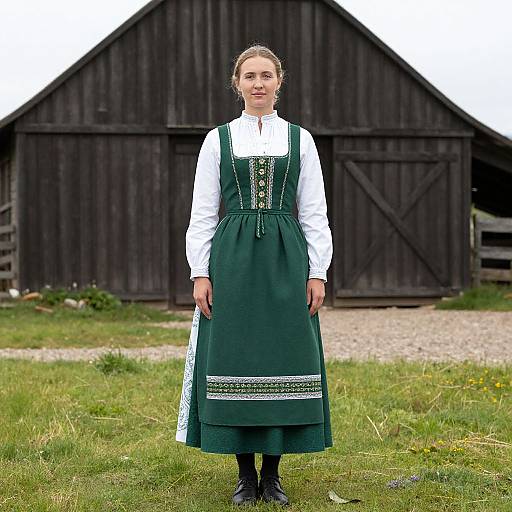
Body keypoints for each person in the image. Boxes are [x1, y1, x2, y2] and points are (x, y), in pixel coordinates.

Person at [175, 44, 333, 506]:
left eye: (266, 75)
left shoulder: (300, 139)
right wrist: (200, 272)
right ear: (237, 83)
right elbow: (202, 212)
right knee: (236, 356)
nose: (258, 84)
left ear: (279, 81)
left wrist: (317, 271)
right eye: (250, 76)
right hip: (233, 260)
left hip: (287, 258)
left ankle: (274, 474)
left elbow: (316, 211)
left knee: (283, 355)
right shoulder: (217, 139)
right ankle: (245, 474)